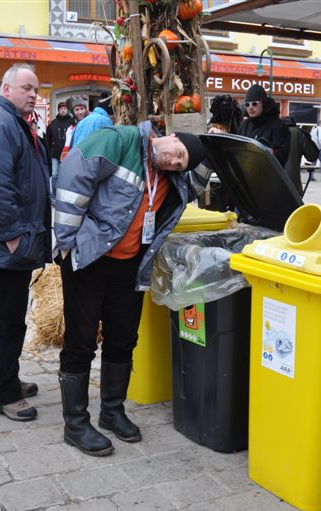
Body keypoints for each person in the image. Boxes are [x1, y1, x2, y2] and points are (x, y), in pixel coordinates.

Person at [54, 121, 209, 457]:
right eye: (176, 153)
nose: (173, 161)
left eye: (180, 164)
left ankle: (112, 411)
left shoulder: (175, 179)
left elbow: (198, 177)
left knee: (124, 338)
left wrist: (214, 147)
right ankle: (75, 423)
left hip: (130, 266)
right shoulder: (119, 140)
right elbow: (71, 177)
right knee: (80, 341)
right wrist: (67, 242)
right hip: (89, 259)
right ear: (169, 136)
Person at [0, 63, 52, 422]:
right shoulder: (1, 124)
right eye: (25, 87)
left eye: (35, 89)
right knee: (7, 320)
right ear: (6, 90)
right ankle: (3, 394)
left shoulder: (14, 123)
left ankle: (1, 380)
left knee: (6, 317)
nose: (32, 94)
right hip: (4, 244)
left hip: (9, 241)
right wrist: (13, 237)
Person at [237, 84, 290, 167]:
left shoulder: (278, 125)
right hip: (246, 174)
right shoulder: (245, 125)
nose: (250, 107)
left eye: (254, 103)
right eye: (247, 104)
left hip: (267, 176)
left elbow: (282, 157)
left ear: (263, 104)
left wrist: (265, 152)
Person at [282, 116, 319, 193]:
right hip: (292, 183)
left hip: (271, 183)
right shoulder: (299, 133)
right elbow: (312, 156)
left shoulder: (271, 131)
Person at [45, 100, 74, 198]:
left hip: (68, 154)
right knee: (55, 175)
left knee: (65, 175)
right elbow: (48, 139)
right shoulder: (53, 123)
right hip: (55, 154)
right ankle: (53, 195)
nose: (63, 110)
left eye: (65, 108)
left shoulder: (72, 122)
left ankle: (64, 195)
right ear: (58, 110)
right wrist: (49, 151)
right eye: (61, 109)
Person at [59, 97, 88, 162]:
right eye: (77, 109)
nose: (80, 112)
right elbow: (67, 147)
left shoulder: (91, 122)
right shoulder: (70, 129)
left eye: (82, 109)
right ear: (73, 112)